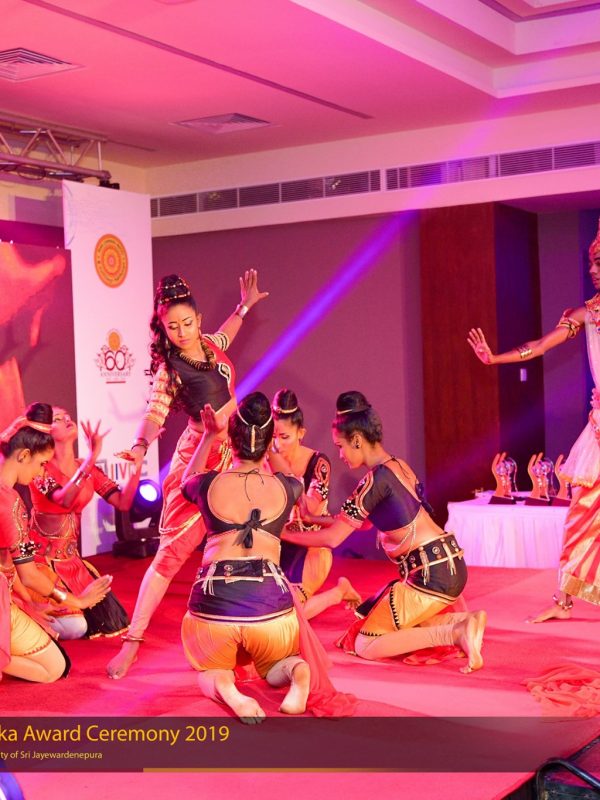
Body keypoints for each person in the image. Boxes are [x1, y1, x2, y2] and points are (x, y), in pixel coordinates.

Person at [107, 270, 268, 679]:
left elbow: (226, 335)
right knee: (170, 555)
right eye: (172, 326)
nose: (181, 332)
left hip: (237, 452)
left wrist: (244, 306)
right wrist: (140, 446)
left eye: (187, 323)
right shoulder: (170, 370)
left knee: (250, 541)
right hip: (201, 456)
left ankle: (251, 637)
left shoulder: (210, 345)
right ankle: (132, 642)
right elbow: (154, 412)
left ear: (198, 319)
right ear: (162, 328)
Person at [282, 391, 487, 674]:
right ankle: (463, 622)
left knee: (367, 642)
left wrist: (278, 533)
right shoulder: (398, 466)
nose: (340, 455)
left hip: (430, 576)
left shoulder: (374, 482)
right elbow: (362, 523)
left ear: (357, 440)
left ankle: (455, 632)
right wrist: (312, 518)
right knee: (396, 626)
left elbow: (332, 539)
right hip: (448, 564)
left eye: (340, 446)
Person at [180, 393, 355, 722]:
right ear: (268, 442)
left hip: (216, 607)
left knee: (212, 670)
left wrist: (209, 435)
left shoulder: (208, 484)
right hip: (270, 610)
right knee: (278, 662)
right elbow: (291, 477)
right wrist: (268, 446)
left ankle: (229, 690)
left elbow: (184, 482)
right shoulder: (287, 488)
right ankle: (298, 672)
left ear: (231, 441)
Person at [468, 224, 600, 622]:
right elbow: (539, 346)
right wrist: (495, 358)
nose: (593, 270)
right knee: (583, 513)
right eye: (591, 263)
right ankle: (563, 600)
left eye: (599, 262)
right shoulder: (586, 314)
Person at [0, 404, 111, 682]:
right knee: (55, 668)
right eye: (40, 464)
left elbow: (8, 567)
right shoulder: (9, 502)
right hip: (26, 581)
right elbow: (28, 575)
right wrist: (77, 600)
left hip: (14, 591)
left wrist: (29, 604)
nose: (40, 473)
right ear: (24, 455)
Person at [28, 409, 141, 639]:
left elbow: (123, 503)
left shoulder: (86, 467)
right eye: (57, 419)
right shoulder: (40, 468)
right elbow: (64, 500)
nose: (66, 420)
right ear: (46, 431)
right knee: (76, 626)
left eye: (67, 416)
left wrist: (136, 467)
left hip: (72, 563)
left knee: (108, 621)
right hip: (41, 563)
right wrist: (91, 458)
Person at [271, 388, 361, 618]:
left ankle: (338, 592)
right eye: (272, 437)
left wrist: (280, 466)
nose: (277, 444)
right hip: (277, 547)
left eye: (284, 437)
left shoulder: (318, 462)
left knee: (290, 616)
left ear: (301, 433)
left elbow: (309, 508)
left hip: (310, 549)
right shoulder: (267, 460)